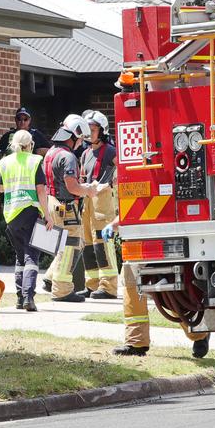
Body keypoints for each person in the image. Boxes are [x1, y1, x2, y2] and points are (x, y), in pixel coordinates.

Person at [109, 220, 211, 358]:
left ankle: (199, 334)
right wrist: (116, 223)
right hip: (142, 231)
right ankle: (136, 342)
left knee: (173, 294)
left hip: (173, 227)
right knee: (130, 278)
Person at [42, 114, 99, 302]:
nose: (80, 143)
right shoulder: (68, 156)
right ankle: (62, 289)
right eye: (80, 138)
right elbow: (72, 186)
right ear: (74, 135)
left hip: (52, 202)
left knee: (61, 245)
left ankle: (51, 278)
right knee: (71, 244)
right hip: (65, 206)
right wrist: (88, 190)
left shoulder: (50, 153)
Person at [0, 129, 49, 311]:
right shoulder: (34, 161)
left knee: (20, 257)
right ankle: (28, 297)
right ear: (30, 145)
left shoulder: (4, 162)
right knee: (31, 256)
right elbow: (41, 190)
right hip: (30, 211)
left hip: (11, 214)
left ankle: (19, 298)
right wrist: (48, 215)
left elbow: (1, 188)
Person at [79, 111, 119, 299]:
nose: (88, 134)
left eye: (92, 130)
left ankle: (108, 287)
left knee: (102, 243)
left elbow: (122, 169)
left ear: (102, 131)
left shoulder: (110, 151)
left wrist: (111, 184)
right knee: (88, 244)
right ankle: (92, 284)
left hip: (102, 201)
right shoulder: (85, 153)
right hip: (87, 201)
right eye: (87, 130)